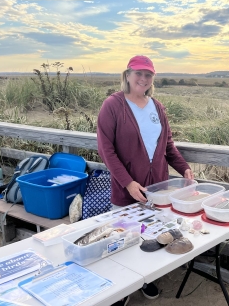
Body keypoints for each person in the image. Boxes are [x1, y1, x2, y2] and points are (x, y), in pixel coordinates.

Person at [97, 55, 194, 306]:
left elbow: (168, 146)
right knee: (124, 237)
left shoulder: (157, 107)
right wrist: (127, 182)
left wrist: (183, 168)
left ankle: (145, 280)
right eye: (138, 73)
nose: (143, 78)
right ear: (127, 75)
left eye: (148, 75)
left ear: (153, 79)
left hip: (156, 187)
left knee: (151, 236)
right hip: (126, 188)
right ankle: (122, 288)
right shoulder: (113, 105)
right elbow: (106, 150)